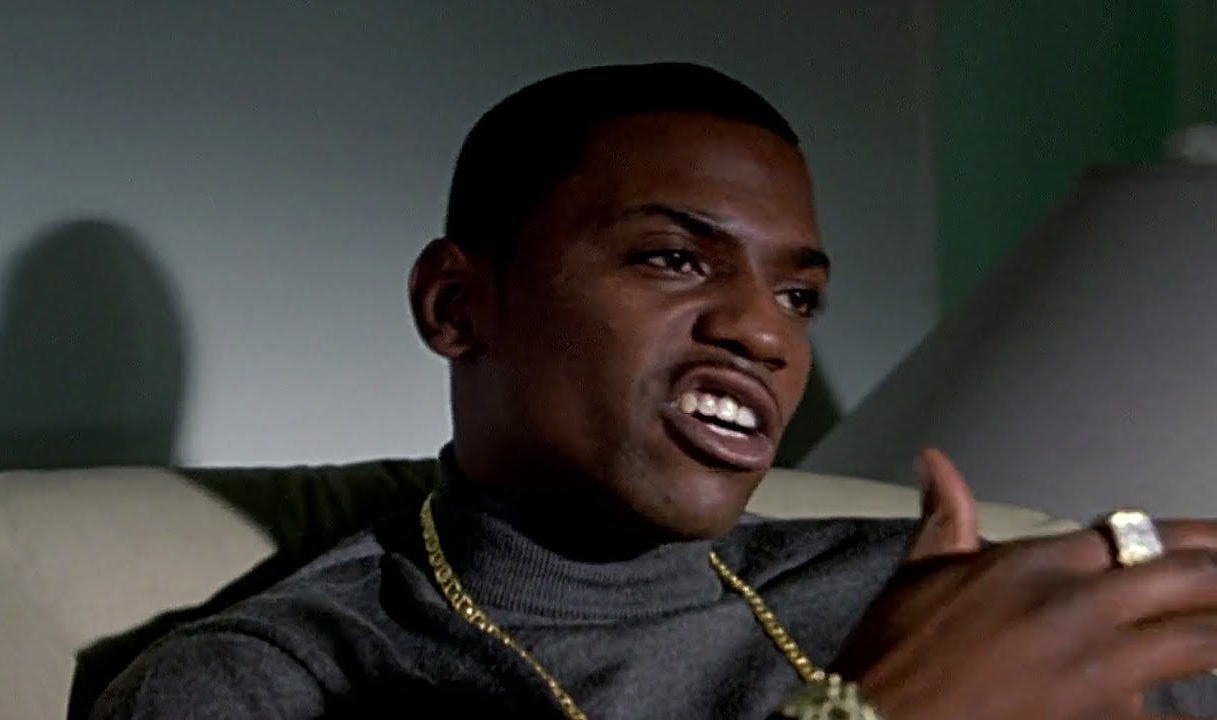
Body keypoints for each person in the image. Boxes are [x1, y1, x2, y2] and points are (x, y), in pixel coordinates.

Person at [94, 63, 1217, 719]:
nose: (763, 332)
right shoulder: (269, 682)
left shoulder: (920, 591)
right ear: (456, 306)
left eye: (799, 296)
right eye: (673, 259)